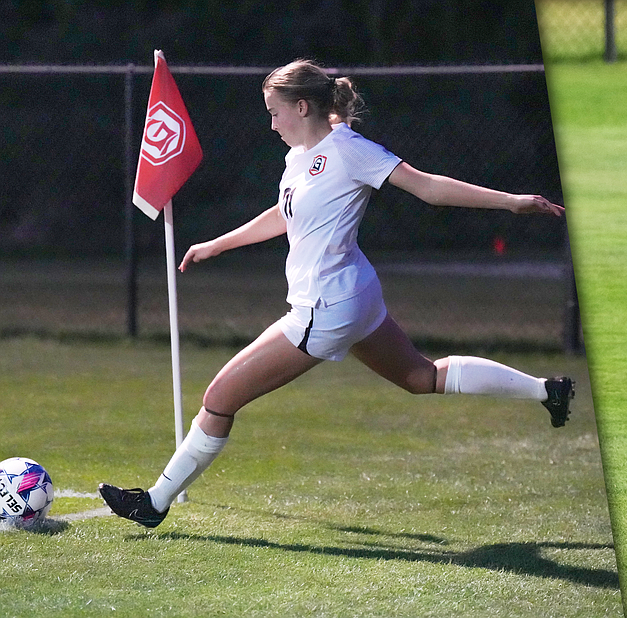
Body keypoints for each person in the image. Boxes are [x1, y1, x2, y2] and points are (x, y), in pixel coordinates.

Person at [99, 59, 575, 528]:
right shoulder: (297, 158)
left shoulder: (349, 149)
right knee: (421, 376)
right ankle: (546, 390)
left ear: (302, 106)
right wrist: (218, 244)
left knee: (219, 397)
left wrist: (513, 202)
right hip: (354, 295)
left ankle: (155, 503)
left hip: (325, 308)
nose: (271, 124)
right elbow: (285, 215)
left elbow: (428, 188)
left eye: (274, 112)